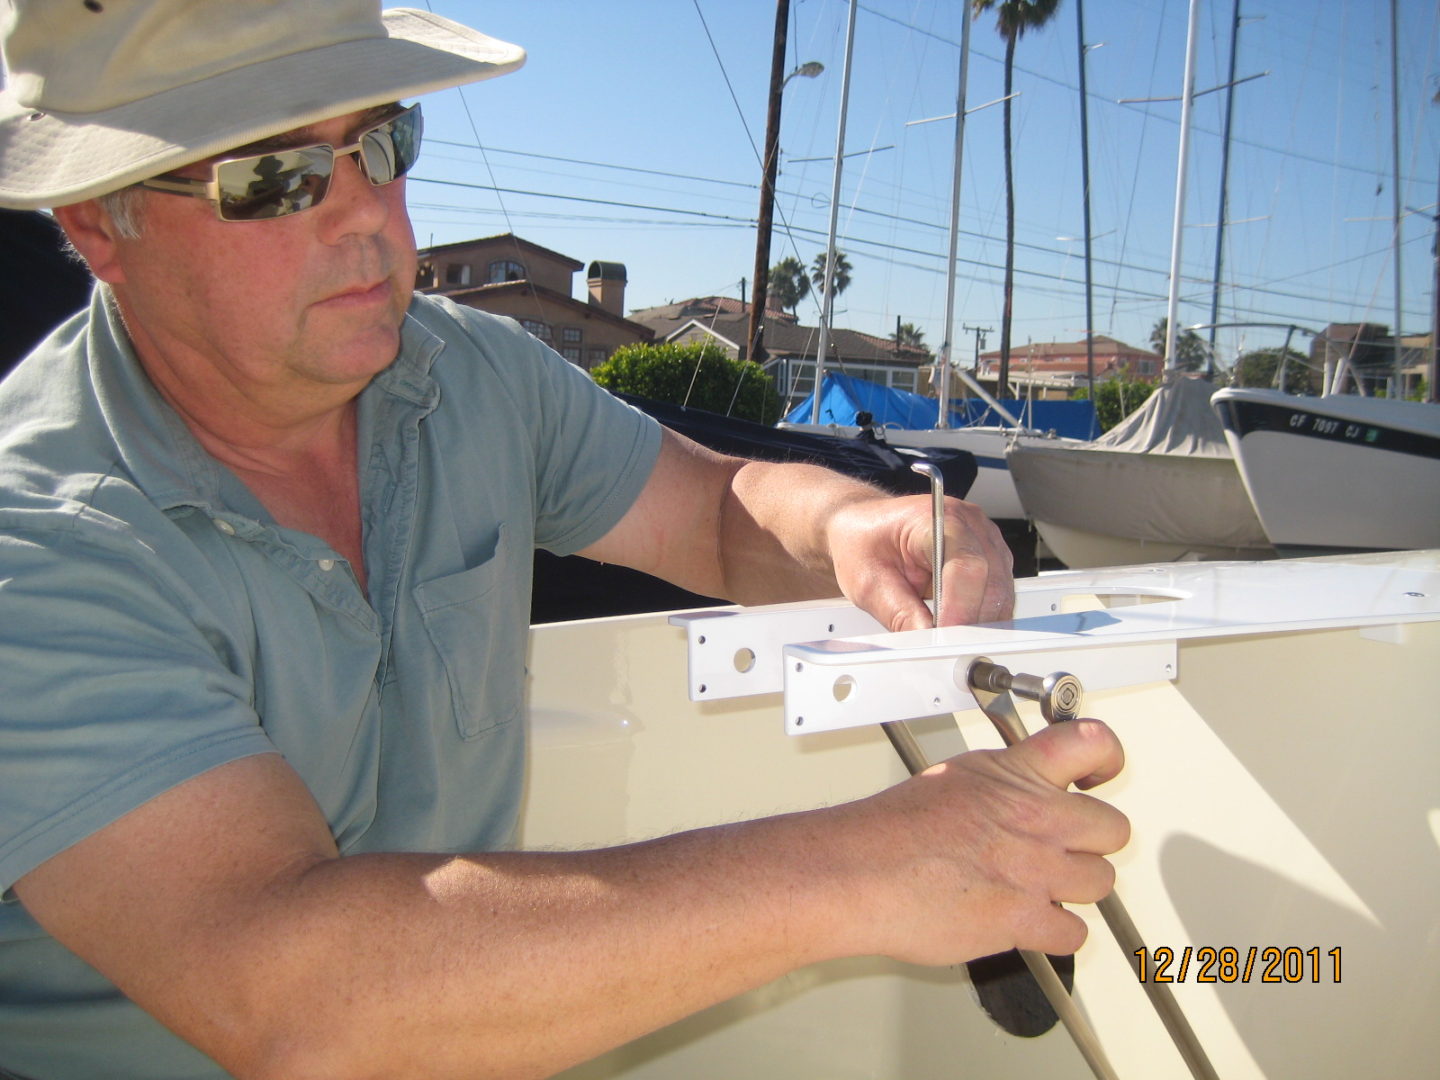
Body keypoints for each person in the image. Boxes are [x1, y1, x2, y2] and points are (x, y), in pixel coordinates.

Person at [0, 3, 1129, 1078]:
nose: (368, 219)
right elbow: (294, 1001)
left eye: (382, 144)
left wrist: (849, 519)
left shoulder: (466, 373)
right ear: (99, 224)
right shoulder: (33, 542)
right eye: (272, 177)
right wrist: (863, 867)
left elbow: (713, 509)